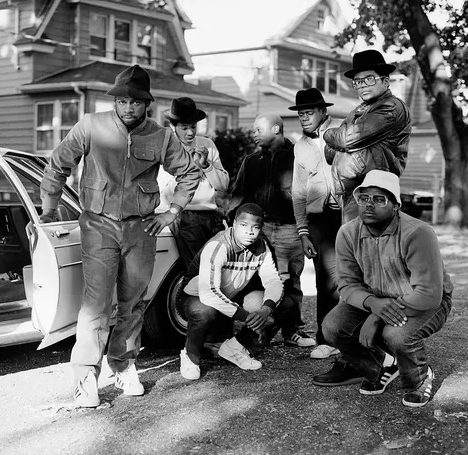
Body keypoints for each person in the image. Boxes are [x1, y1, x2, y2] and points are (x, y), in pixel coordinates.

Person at [39, 65, 201, 408]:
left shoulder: (161, 136)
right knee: (96, 303)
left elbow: (189, 172)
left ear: (147, 104)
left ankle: (123, 364)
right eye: (123, 100)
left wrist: (173, 211)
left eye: (136, 102)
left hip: (141, 227)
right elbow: (57, 164)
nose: (128, 107)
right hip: (97, 225)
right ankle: (85, 376)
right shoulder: (90, 125)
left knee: (133, 301)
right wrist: (49, 209)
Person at [314, 170, 453, 408]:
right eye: (364, 198)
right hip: (375, 298)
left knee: (396, 333)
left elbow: (429, 293)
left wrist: (377, 316)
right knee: (332, 326)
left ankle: (418, 379)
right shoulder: (348, 233)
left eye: (379, 199)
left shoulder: (418, 233)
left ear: (396, 205)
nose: (369, 205)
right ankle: (382, 366)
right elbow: (347, 285)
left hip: (425, 301)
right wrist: (372, 304)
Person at [229, 112, 314, 348]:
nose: (254, 134)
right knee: (263, 282)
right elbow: (239, 193)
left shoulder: (298, 157)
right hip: (262, 229)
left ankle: (293, 331)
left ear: (276, 129)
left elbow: (308, 194)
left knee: (291, 282)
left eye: (258, 129)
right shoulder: (251, 161)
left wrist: (306, 228)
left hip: (291, 228)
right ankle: (260, 331)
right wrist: (230, 218)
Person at [179, 203, 290, 380]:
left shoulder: (262, 246)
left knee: (284, 303)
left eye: (255, 227)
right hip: (196, 297)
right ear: (234, 224)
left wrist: (265, 309)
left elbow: (273, 281)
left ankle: (237, 347)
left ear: (261, 228)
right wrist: (246, 317)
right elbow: (209, 292)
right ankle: (191, 356)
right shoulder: (219, 245)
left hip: (230, 296)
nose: (249, 232)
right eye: (244, 226)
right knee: (203, 311)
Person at [323, 49, 412, 223]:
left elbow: (346, 139)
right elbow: (329, 153)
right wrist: (343, 142)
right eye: (357, 81)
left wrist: (327, 133)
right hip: (354, 193)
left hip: (375, 194)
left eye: (369, 79)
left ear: (385, 81)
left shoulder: (390, 107)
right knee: (351, 244)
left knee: (369, 246)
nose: (362, 85)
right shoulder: (359, 110)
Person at [289, 88, 343, 359]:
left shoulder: (342, 133)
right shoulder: (300, 146)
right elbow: (298, 192)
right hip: (319, 220)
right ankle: (328, 338)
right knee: (326, 279)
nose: (304, 118)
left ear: (323, 112)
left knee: (356, 275)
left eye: (309, 112)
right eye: (300, 114)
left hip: (348, 214)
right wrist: (303, 232)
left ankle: (360, 334)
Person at [157, 97, 229, 269]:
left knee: (218, 268)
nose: (190, 132)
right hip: (183, 216)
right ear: (173, 127)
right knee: (201, 271)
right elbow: (161, 189)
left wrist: (205, 164)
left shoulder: (207, 145)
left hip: (210, 217)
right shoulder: (164, 148)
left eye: (193, 127)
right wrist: (184, 163)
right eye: (184, 127)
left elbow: (223, 185)